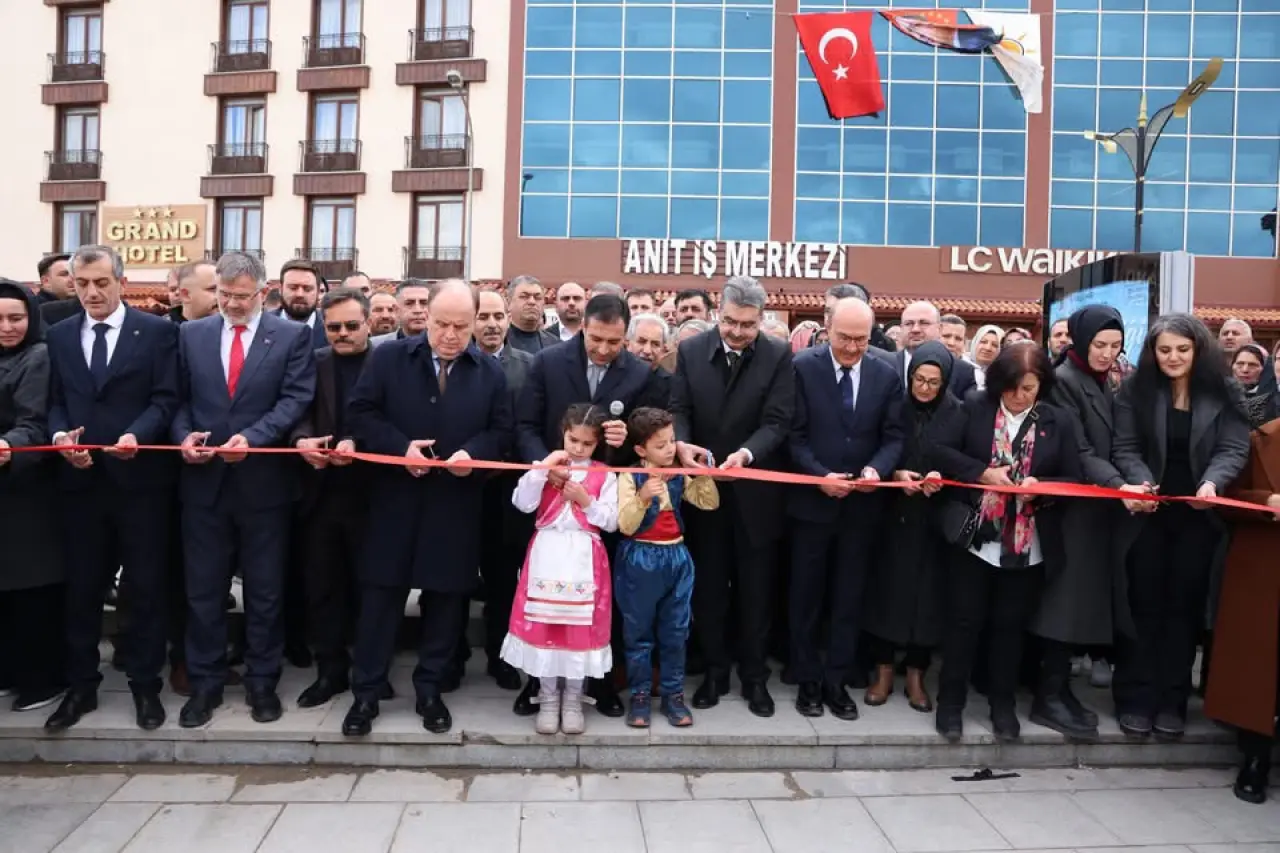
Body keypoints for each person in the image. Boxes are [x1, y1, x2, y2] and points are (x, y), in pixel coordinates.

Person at [342, 279, 513, 737]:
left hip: (454, 504)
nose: (450, 335)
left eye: (461, 326)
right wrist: (401, 449)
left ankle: (430, 690)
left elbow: (502, 432)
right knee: (381, 599)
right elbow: (360, 413)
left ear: (474, 322)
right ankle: (366, 693)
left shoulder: (490, 373)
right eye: (441, 324)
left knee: (446, 601)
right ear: (424, 318)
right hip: (393, 502)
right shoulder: (389, 359)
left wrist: (473, 454)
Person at [170, 250, 316, 728]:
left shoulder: (291, 336)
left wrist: (253, 438)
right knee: (203, 592)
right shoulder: (191, 334)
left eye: (241, 296)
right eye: (224, 295)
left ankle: (262, 683)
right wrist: (183, 437)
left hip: (263, 488)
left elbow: (295, 399)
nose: (232, 304)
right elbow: (177, 399)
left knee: (265, 592)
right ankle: (205, 684)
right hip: (203, 486)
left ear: (263, 293)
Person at [43, 245, 179, 732]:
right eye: (82, 284)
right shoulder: (59, 334)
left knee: (144, 590)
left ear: (121, 282)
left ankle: (145, 686)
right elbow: (56, 401)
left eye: (101, 283)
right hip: (80, 485)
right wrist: (61, 438)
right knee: (82, 590)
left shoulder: (157, 332)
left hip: (140, 484)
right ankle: (81, 687)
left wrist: (136, 435)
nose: (91, 293)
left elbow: (166, 399)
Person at [514, 293, 663, 718]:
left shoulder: (641, 373)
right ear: (583, 327)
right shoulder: (547, 362)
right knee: (543, 597)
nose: (602, 349)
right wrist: (545, 465)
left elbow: (650, 437)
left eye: (614, 342)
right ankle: (538, 682)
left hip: (605, 504)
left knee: (602, 599)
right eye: (595, 338)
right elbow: (525, 425)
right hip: (550, 500)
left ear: (626, 336)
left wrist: (627, 438)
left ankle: (599, 681)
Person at [928, 343, 1082, 742]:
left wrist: (1040, 487)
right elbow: (939, 450)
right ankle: (950, 704)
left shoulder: (1057, 420)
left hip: (1027, 544)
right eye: (1012, 387)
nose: (1019, 396)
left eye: (1028, 388)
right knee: (963, 622)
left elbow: (1075, 477)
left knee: (1009, 628)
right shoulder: (974, 407)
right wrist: (981, 472)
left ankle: (1002, 704)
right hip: (976, 538)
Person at [1111, 313, 1250, 741]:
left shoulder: (1225, 389)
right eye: (1164, 350)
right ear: (1152, 353)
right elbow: (1125, 447)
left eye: (1182, 350)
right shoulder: (1134, 388)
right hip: (1147, 512)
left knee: (1183, 607)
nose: (1173, 357)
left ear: (1199, 350)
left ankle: (1172, 700)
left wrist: (1212, 482)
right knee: (1143, 604)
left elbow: (1233, 447)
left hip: (1198, 514)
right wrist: (1140, 482)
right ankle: (1136, 697)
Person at [671, 275, 794, 718]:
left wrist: (747, 453)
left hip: (755, 494)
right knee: (709, 590)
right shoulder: (691, 351)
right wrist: (682, 444)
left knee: (756, 593)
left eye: (748, 324)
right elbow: (679, 408)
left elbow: (778, 420)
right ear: (717, 314)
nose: (738, 332)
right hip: (705, 493)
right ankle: (715, 672)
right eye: (730, 322)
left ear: (761, 319)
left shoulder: (778, 355)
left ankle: (755, 677)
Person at [787, 297, 903, 720]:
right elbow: (793, 434)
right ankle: (807, 680)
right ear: (827, 327)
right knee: (805, 596)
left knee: (849, 597)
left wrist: (877, 470)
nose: (853, 347)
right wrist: (819, 475)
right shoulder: (802, 368)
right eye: (844, 338)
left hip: (861, 510)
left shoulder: (886, 374)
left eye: (861, 339)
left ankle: (836, 681)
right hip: (812, 505)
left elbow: (894, 436)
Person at [1029, 305, 1128, 740]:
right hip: (1072, 509)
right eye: (1100, 345)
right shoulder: (1064, 381)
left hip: (1096, 509)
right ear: (1082, 341)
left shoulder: (1102, 378)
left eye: (1116, 346)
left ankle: (1059, 690)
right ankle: (1047, 695)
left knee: (1078, 603)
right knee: (1062, 605)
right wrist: (1120, 484)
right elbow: (1080, 449)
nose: (1107, 353)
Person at [502, 404, 618, 736]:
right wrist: (541, 471)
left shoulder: (605, 474)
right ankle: (549, 699)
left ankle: (573, 701)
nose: (579, 448)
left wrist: (585, 500)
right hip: (547, 553)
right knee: (547, 627)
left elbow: (612, 521)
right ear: (562, 434)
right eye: (573, 440)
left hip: (584, 557)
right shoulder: (546, 466)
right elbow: (521, 502)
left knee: (578, 631)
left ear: (597, 444)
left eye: (587, 443)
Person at [289, 287, 374, 708]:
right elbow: (298, 411)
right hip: (320, 495)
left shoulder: (388, 362)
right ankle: (330, 671)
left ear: (369, 324)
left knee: (371, 589)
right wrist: (302, 440)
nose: (342, 333)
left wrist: (361, 442)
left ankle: (370, 673)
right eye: (334, 326)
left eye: (351, 326)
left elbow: (394, 416)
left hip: (374, 497)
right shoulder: (314, 361)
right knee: (323, 588)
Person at [862, 341, 955, 713]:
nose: (924, 388)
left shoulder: (957, 412)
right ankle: (883, 670)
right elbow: (877, 449)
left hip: (934, 522)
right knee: (887, 595)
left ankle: (916, 673)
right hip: (892, 518)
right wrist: (896, 473)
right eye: (919, 379)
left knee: (927, 600)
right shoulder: (894, 405)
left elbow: (965, 458)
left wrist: (941, 477)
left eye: (933, 382)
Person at [616, 407, 719, 727]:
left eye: (672, 441)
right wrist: (643, 497)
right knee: (638, 631)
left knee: (676, 631)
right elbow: (625, 524)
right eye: (660, 445)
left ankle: (673, 695)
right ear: (640, 450)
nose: (670, 449)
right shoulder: (629, 476)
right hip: (640, 558)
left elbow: (709, 502)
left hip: (676, 557)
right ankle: (640, 695)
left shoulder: (677, 472)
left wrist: (700, 471)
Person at [1203, 414, 1280, 804]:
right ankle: (1255, 757)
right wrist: (1266, 502)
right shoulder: (1260, 439)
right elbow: (1226, 500)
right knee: (1261, 670)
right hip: (1265, 569)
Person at [0, 278, 66, 713]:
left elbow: (35, 421)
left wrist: (10, 445)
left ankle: (43, 680)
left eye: (16, 318)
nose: (6, 327)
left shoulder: (39, 356)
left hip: (27, 493)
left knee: (31, 591)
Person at [470, 289, 533, 690]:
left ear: (508, 318)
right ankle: (451, 656)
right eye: (483, 316)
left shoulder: (530, 366)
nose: (492, 324)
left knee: (503, 578)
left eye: (498, 316)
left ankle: (501, 656)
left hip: (510, 492)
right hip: (463, 488)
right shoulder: (458, 363)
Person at [871, 301, 976, 398]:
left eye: (924, 323)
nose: (915, 329)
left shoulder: (963, 372)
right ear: (901, 328)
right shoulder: (881, 365)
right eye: (909, 324)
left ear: (939, 329)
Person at [277, 260, 330, 350]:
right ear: (280, 289)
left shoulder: (333, 329)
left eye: (307, 289)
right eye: (293, 288)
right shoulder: (259, 326)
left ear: (318, 292)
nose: (300, 294)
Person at [504, 275, 558, 354]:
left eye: (537, 297)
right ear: (509, 302)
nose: (532, 302)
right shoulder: (498, 342)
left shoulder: (556, 345)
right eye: (524, 296)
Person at [372, 281, 431, 346]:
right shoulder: (375, 346)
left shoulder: (440, 347)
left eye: (424, 303)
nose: (417, 310)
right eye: (409, 303)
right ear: (396, 310)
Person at [1231, 344, 1270, 427]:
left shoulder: (1272, 400)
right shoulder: (1220, 395)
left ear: (1265, 368)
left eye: (1252, 365)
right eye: (1240, 364)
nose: (1245, 370)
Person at [968, 324, 1004, 389]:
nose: (988, 348)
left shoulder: (1003, 376)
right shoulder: (959, 368)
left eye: (994, 345)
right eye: (983, 342)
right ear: (975, 343)